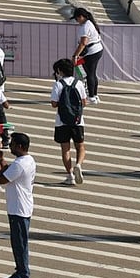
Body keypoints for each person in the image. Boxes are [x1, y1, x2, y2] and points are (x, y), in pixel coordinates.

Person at [0, 132, 36, 278]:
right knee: (17, 243)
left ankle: (24, 275)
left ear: (20, 146)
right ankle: (19, 271)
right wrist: (2, 161)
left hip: (18, 209)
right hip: (21, 207)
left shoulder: (20, 164)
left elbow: (2, 178)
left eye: (12, 144)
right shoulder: (28, 160)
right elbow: (9, 170)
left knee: (20, 244)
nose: (10, 146)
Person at [50, 57, 87, 186]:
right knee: (80, 146)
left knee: (65, 149)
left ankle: (70, 175)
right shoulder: (79, 83)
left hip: (62, 121)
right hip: (78, 121)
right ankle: (78, 165)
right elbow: (84, 102)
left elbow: (54, 104)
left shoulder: (58, 84)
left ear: (60, 71)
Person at [69, 7, 104, 102]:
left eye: (76, 19)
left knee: (89, 74)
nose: (77, 21)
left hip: (92, 52)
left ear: (81, 17)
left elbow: (83, 43)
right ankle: (95, 95)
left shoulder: (85, 27)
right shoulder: (89, 23)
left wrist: (75, 55)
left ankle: (91, 96)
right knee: (92, 73)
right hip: (96, 50)